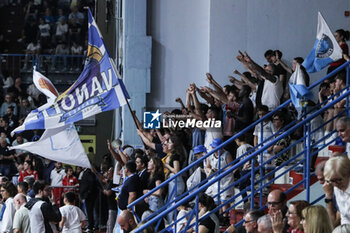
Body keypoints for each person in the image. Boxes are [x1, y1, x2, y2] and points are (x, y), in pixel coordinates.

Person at [323, 156, 350, 225]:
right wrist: (328, 195)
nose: (335, 184)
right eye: (332, 181)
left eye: (338, 180)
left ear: (348, 174)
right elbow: (344, 218)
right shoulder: (337, 188)